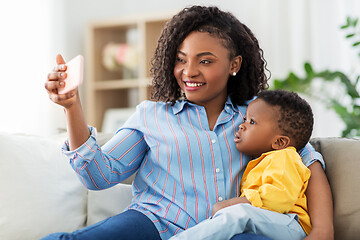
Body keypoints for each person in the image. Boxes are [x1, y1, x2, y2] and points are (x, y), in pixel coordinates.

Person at [44, 5, 333, 240]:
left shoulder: (258, 117)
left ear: (234, 65)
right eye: (181, 59)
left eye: (205, 61)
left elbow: (306, 160)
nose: (189, 72)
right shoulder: (152, 115)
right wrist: (72, 107)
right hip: (154, 224)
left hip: (233, 231)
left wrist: (321, 230)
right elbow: (97, 176)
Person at [170, 89, 314, 240]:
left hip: (290, 224)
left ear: (279, 142)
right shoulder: (262, 161)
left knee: (237, 215)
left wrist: (233, 203)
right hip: (271, 222)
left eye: (251, 122)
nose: (241, 126)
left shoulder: (285, 157)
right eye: (245, 119)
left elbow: (278, 198)